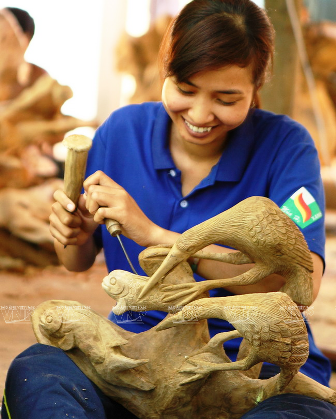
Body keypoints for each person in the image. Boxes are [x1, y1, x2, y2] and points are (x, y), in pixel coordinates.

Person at [2, 0, 336, 418]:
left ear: (258, 84)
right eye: (185, 89)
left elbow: (298, 288)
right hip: (134, 356)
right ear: (165, 68)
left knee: (299, 412)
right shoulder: (122, 132)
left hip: (252, 364)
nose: (199, 114)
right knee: (38, 372)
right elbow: (76, 261)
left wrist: (156, 235)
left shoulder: (288, 148)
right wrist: (73, 232)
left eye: (225, 98)